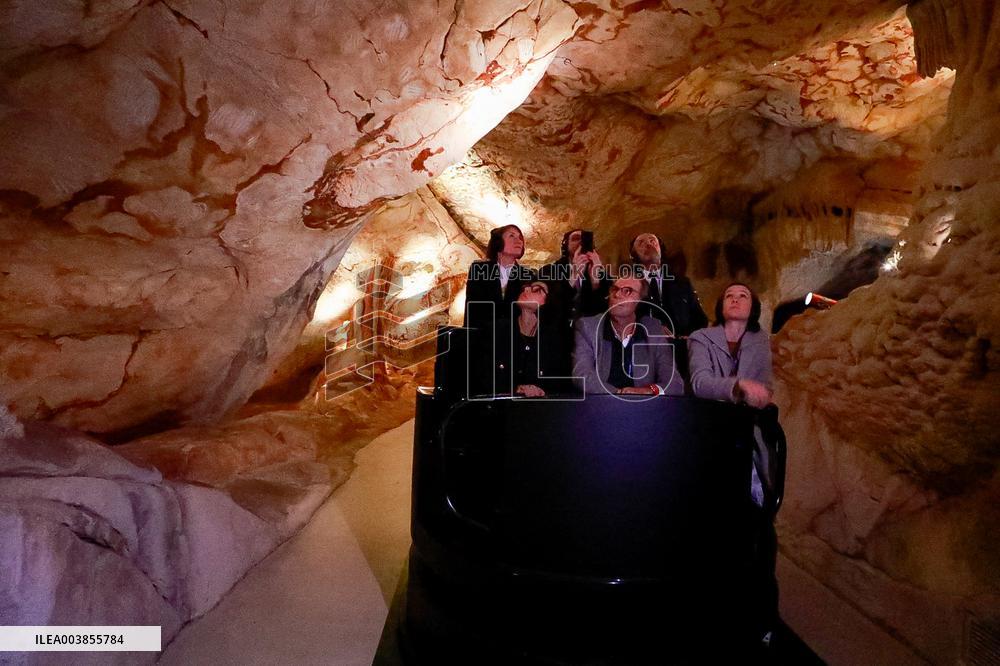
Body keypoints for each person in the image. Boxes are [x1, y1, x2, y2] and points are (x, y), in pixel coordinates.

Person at [688, 282, 778, 647]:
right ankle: (709, 617)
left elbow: (765, 389)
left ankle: (759, 619)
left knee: (757, 527)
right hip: (711, 440)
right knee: (711, 528)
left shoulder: (760, 341)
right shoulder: (701, 337)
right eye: (729, 295)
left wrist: (744, 391)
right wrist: (739, 386)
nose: (736, 299)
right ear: (720, 305)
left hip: (749, 441)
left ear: (753, 305)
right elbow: (699, 382)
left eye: (743, 295)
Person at [571, 275, 684, 396]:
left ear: (640, 301)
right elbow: (582, 375)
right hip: (601, 407)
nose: (617, 295)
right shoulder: (588, 327)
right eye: (614, 289)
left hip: (644, 409)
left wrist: (648, 391)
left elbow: (675, 383)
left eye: (627, 291)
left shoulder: (653, 329)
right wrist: (621, 394)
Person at [480, 279, 570, 398]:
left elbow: (558, 384)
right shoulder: (496, 330)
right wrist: (515, 389)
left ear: (549, 302)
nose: (526, 289)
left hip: (540, 409)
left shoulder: (553, 341)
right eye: (526, 287)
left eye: (537, 290)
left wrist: (538, 390)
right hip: (500, 408)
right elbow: (483, 376)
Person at [540, 229, 610, 338]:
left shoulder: (602, 274)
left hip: (590, 336)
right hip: (557, 334)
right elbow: (548, 305)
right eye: (576, 238)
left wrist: (595, 281)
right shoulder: (549, 271)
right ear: (565, 245)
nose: (580, 243)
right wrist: (573, 276)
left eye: (585, 240)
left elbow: (607, 309)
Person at [463, 224, 534, 329]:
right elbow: (474, 310)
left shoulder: (528, 275)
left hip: (513, 339)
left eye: (520, 238)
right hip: (482, 338)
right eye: (511, 236)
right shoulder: (479, 269)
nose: (519, 241)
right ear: (498, 242)